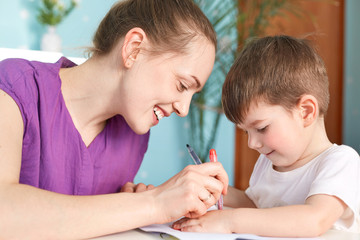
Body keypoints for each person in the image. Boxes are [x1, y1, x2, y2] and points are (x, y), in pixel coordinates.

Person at [0, 0, 229, 238]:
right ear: (134, 48)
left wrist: (129, 206)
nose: (184, 109)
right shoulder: (14, 87)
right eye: (182, 85)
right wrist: (154, 204)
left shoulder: (133, 138)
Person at [172, 35, 360, 237]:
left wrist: (229, 220)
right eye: (246, 131)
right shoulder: (267, 162)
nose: (252, 143)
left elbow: (314, 220)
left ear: (305, 111)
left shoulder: (341, 162)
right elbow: (257, 206)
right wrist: (218, 191)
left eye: (261, 128)